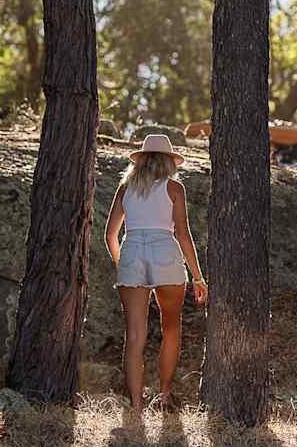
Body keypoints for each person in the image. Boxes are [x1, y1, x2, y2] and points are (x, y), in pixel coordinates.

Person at [104, 133, 207, 414]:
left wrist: (122, 264)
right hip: (165, 253)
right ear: (169, 162)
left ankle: (136, 407)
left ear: (141, 160)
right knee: (170, 328)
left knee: (135, 336)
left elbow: (110, 235)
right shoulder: (175, 189)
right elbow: (184, 234)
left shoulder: (125, 189)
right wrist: (198, 277)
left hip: (133, 252)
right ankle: (164, 395)